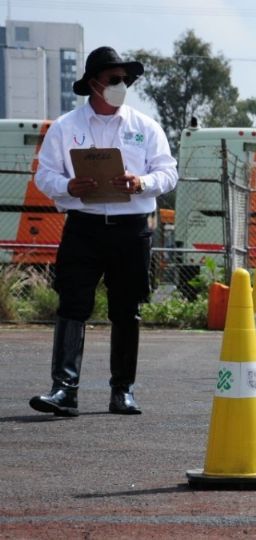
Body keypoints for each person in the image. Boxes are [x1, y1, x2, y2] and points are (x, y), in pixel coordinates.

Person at [29, 46, 178, 416]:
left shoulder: (145, 127)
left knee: (126, 310)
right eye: (113, 79)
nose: (121, 85)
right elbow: (45, 174)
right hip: (84, 227)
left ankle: (122, 390)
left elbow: (169, 173)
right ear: (93, 83)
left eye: (125, 79)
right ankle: (64, 390)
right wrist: (67, 187)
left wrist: (140, 182)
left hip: (131, 231)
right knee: (72, 305)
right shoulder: (65, 127)